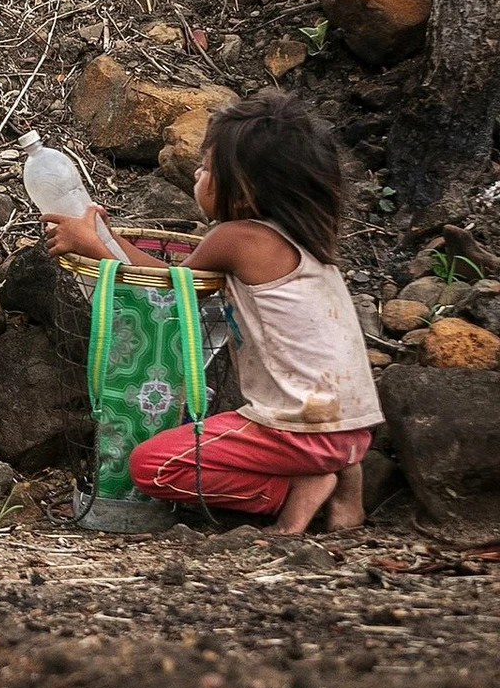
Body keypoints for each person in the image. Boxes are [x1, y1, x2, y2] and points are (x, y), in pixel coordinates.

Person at [47, 90, 379, 534]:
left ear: (244, 190)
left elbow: (168, 289)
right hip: (352, 428)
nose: (197, 175)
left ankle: (300, 489)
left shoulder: (236, 237)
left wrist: (96, 246)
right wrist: (107, 239)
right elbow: (175, 278)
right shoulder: (310, 236)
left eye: (206, 168)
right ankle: (344, 485)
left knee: (151, 467)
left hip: (297, 429)